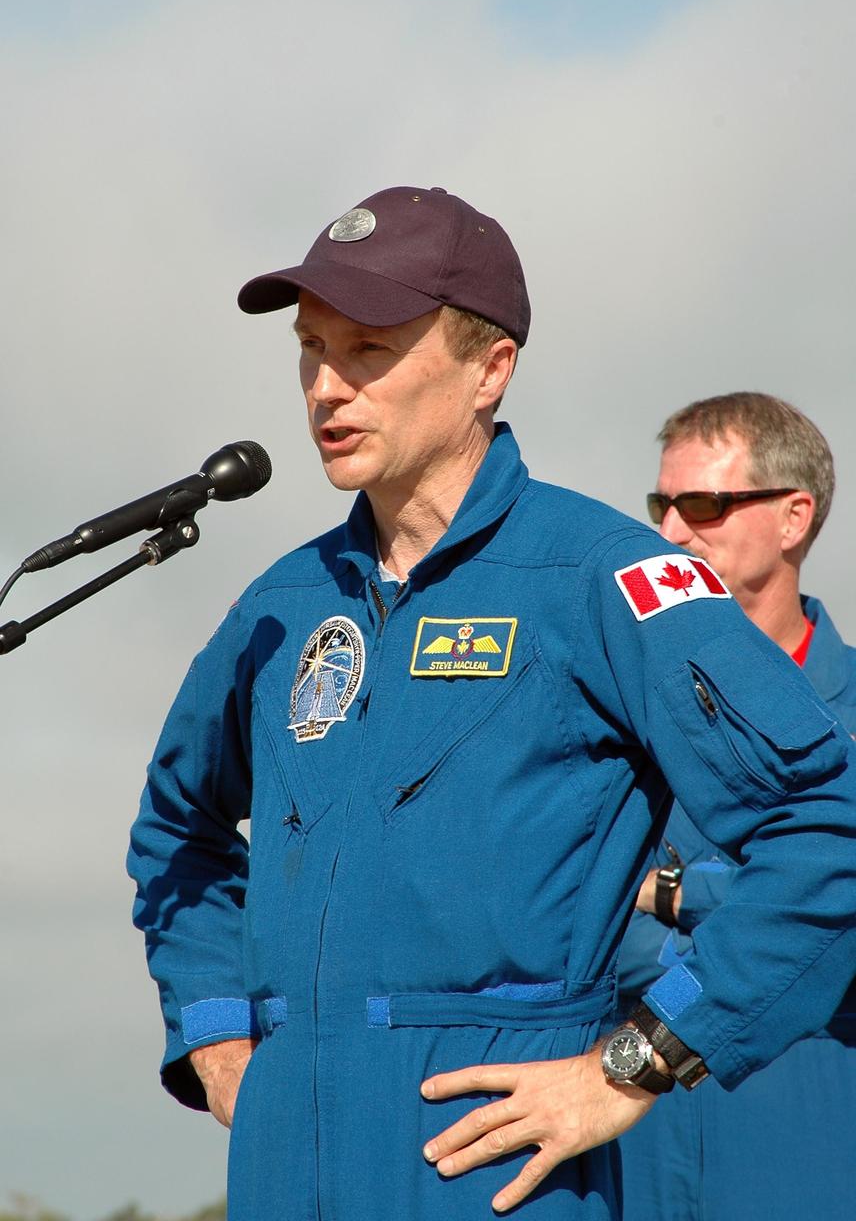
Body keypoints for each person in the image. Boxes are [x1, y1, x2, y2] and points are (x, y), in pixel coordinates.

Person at [127, 188, 856, 1221]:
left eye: (369, 350)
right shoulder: (282, 606)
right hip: (287, 1163)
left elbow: (827, 822)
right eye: (310, 348)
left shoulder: (603, 575)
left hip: (496, 1162)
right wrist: (213, 1027)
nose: (325, 387)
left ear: (490, 368)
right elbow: (179, 829)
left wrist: (635, 1061)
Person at [616, 392, 856, 1221]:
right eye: (662, 505)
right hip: (620, 1119)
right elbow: (558, 895)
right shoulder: (608, 717)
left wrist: (674, 893)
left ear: (795, 518)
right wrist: (764, 912)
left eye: (707, 505)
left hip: (812, 1124)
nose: (674, 533)